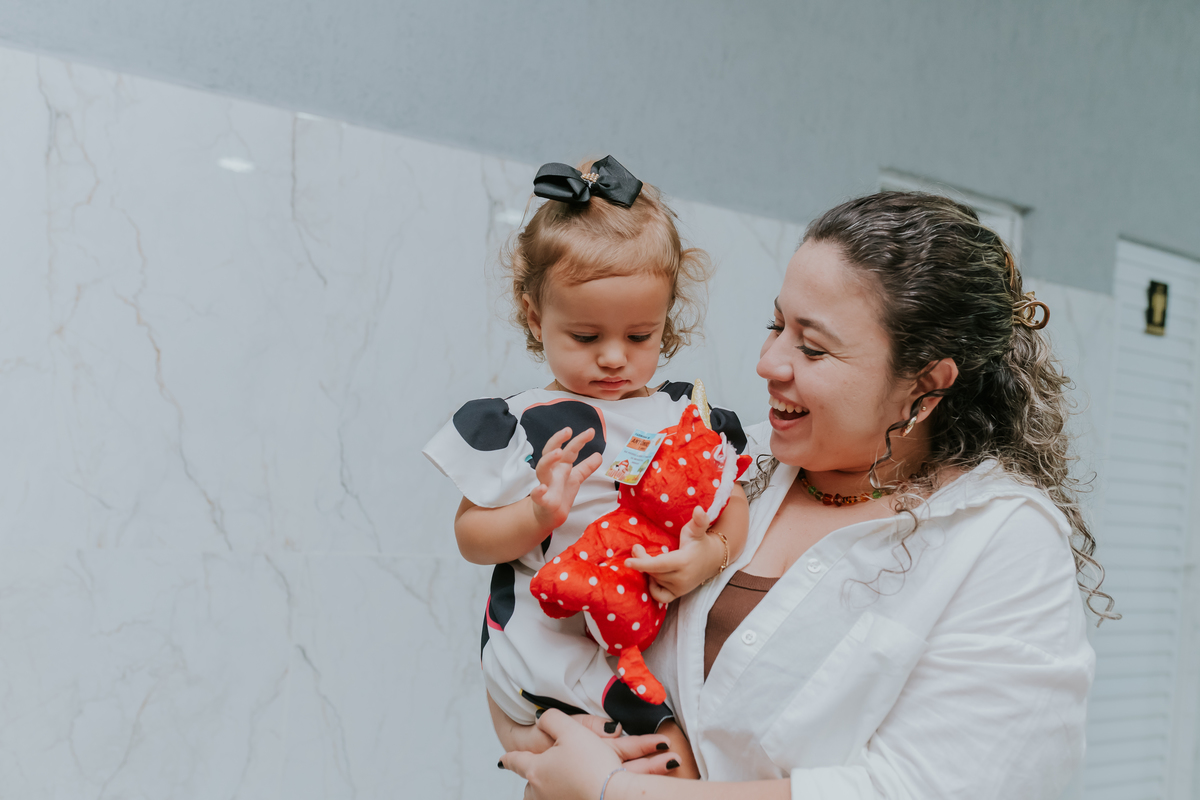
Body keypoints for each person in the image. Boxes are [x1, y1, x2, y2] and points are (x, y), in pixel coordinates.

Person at [498, 191, 1115, 799]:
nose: (768, 363)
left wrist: (614, 792)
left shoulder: (1002, 538)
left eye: (812, 348)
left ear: (926, 386)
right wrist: (552, 741)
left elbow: (930, 787)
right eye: (777, 325)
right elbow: (542, 604)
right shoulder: (730, 461)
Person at [422, 156, 751, 770]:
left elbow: (730, 498)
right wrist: (536, 516)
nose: (613, 358)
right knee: (653, 760)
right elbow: (471, 536)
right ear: (534, 315)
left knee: (664, 765)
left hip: (642, 646)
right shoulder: (521, 422)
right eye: (585, 336)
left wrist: (714, 552)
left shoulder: (685, 415)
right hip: (546, 650)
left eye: (639, 336)